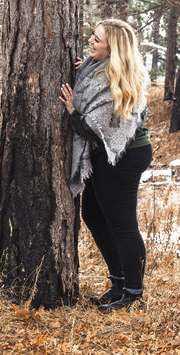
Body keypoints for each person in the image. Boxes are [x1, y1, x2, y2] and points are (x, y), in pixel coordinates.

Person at [59, 19, 152, 312]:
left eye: (97, 41)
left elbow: (94, 128)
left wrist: (73, 110)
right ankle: (119, 283)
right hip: (107, 155)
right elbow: (90, 78)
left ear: (114, 48)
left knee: (122, 225)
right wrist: (84, 66)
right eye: (92, 36)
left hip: (123, 155)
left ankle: (133, 295)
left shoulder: (116, 78)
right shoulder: (96, 68)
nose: (90, 42)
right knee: (94, 216)